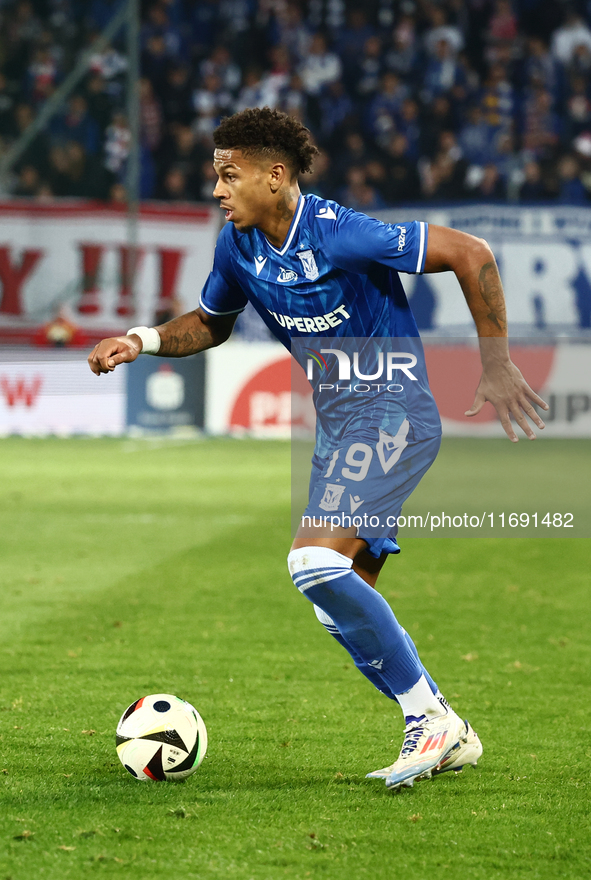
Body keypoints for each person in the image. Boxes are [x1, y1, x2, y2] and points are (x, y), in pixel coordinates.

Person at [88, 107, 548, 791]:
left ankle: (431, 719)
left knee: (310, 561)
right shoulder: (237, 247)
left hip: (392, 412)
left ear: (275, 176)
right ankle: (441, 727)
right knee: (333, 595)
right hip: (339, 429)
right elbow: (210, 324)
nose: (216, 190)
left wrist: (495, 360)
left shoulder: (341, 233)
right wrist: (143, 340)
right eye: (215, 176)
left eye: (228, 175)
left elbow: (470, 253)